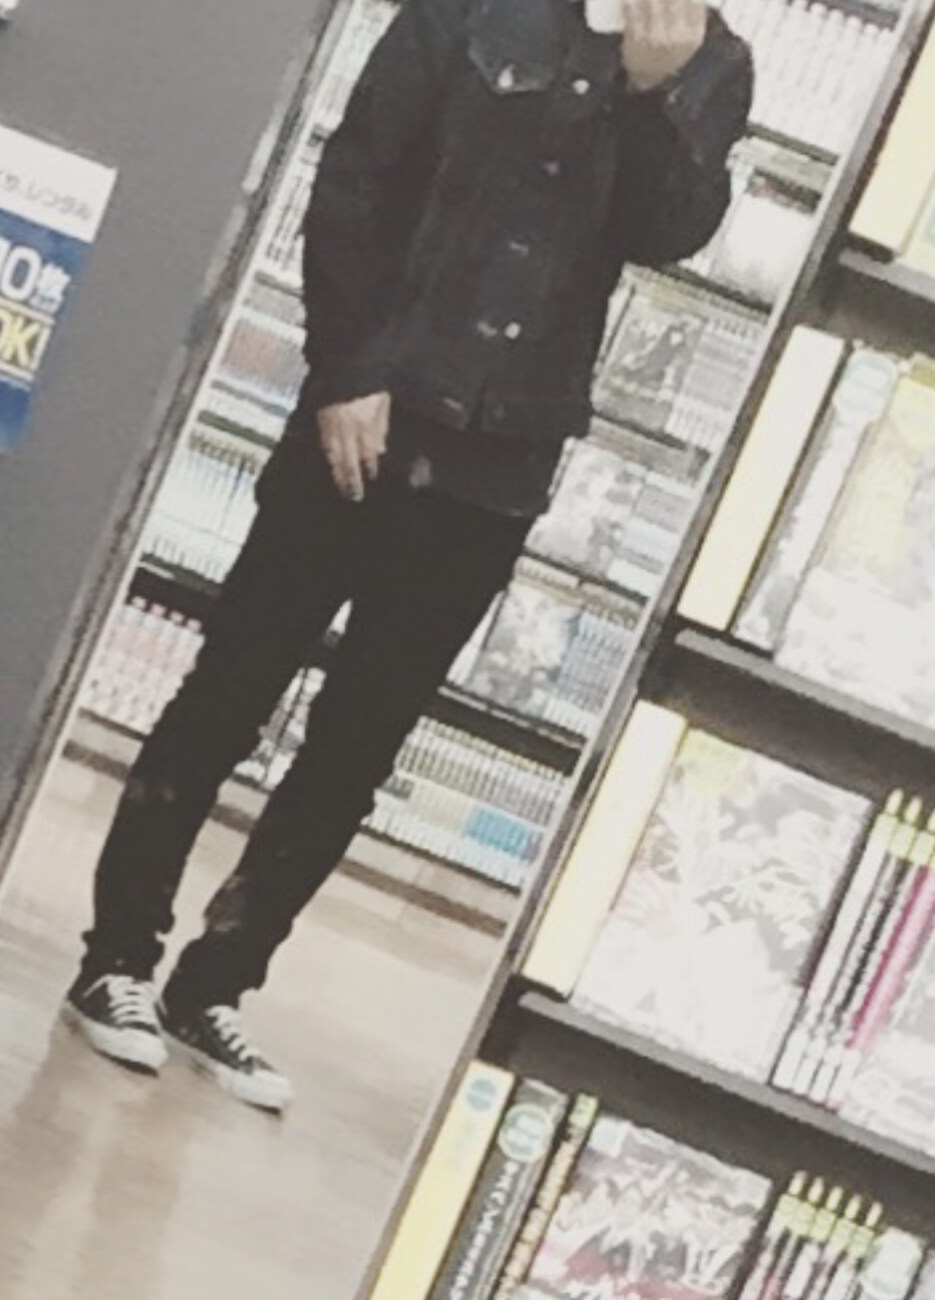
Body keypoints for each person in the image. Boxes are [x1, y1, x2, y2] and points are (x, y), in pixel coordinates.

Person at [64, 0, 753, 1111]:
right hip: (367, 417)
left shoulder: (709, 62)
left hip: (499, 459)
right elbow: (358, 179)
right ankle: (115, 960)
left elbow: (665, 230)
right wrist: (348, 368)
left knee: (358, 746)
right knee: (230, 689)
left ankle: (216, 985)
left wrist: (646, 93)